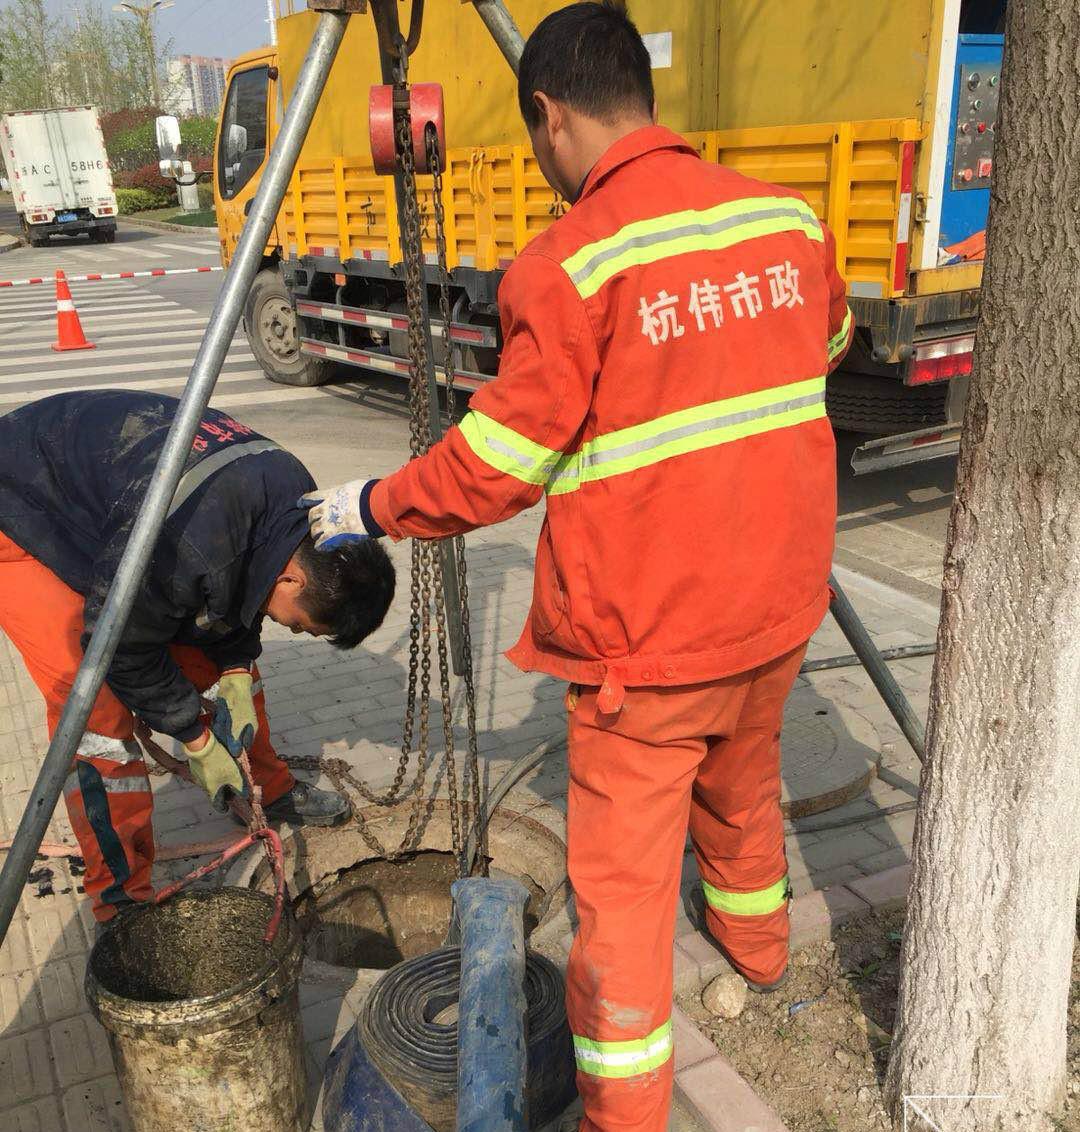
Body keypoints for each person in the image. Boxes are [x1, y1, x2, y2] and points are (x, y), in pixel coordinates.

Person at [304, 4, 852, 1130]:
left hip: (644, 656)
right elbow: (826, 343)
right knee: (744, 796)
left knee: (625, 911)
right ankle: (760, 953)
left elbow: (495, 467)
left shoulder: (570, 264)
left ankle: (624, 1113)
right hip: (777, 613)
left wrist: (372, 502)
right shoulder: (789, 221)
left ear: (549, 114)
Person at [0, 390, 395, 925]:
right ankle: (120, 899)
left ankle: (265, 790)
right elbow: (119, 646)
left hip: (126, 509)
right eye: (300, 624)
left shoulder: (294, 506)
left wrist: (234, 666)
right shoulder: (186, 545)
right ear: (294, 576)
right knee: (94, 713)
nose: (291, 631)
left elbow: (239, 587)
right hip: (22, 507)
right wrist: (193, 736)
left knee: (229, 674)